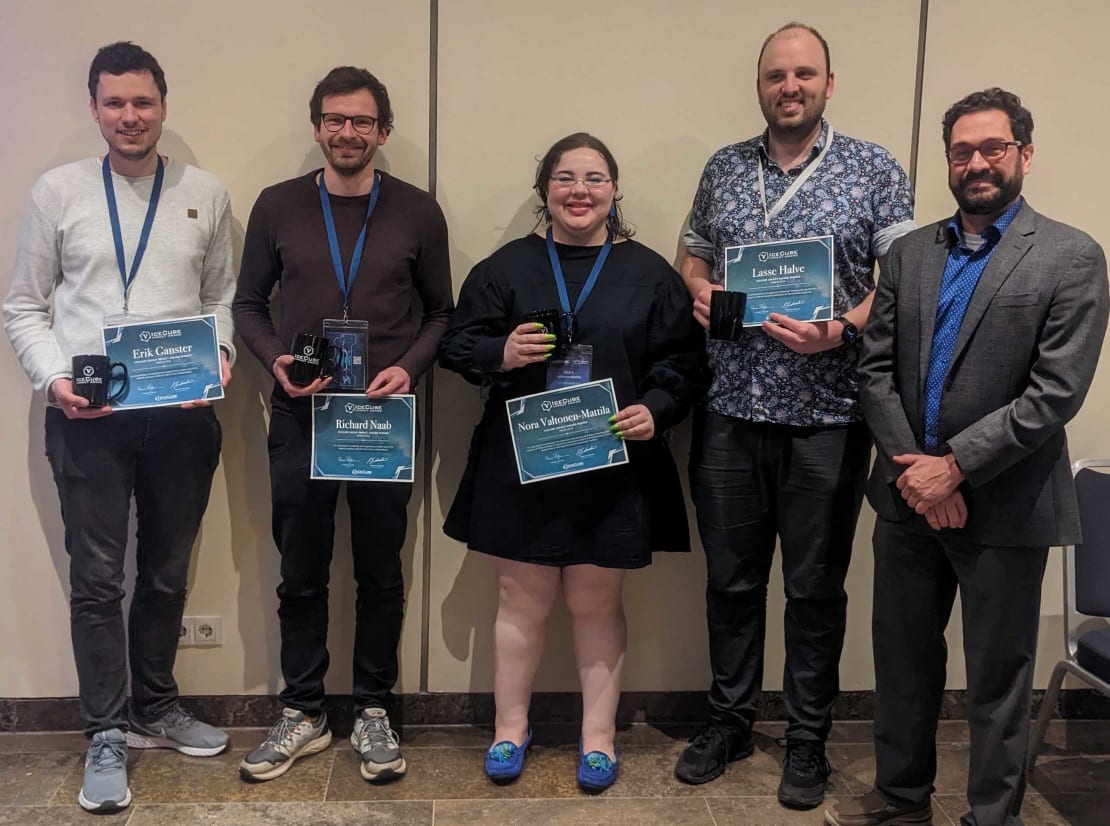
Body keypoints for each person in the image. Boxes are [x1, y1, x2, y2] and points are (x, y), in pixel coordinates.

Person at [828, 88, 1109, 826]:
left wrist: (952, 466)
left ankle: (991, 817)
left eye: (992, 148)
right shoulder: (911, 253)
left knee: (996, 680)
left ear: (1024, 152)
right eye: (962, 151)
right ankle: (900, 801)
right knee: (904, 668)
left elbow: (1055, 392)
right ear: (947, 160)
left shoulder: (1071, 256)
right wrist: (915, 471)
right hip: (906, 499)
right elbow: (875, 370)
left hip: (1009, 505)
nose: (976, 162)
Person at [675, 22, 916, 809]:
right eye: (777, 74)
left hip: (829, 416)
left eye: (804, 74)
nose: (790, 86)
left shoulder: (873, 167)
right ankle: (730, 720)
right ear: (759, 86)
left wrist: (842, 328)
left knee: (815, 589)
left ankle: (807, 739)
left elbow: (905, 278)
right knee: (731, 583)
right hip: (731, 410)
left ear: (828, 84)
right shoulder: (725, 168)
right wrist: (701, 292)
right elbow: (694, 256)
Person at [2, 42, 235, 813]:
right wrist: (53, 377)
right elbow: (24, 306)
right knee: (98, 581)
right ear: (95, 109)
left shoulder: (206, 191)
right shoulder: (58, 191)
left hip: (180, 415)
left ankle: (155, 708)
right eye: (113, 103)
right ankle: (105, 728)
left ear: (164, 105)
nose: (129, 116)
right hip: (88, 417)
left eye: (142, 102)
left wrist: (224, 354)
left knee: (167, 572)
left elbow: (221, 297)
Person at [440, 132, 706, 792]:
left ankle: (598, 738)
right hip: (522, 462)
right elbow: (457, 344)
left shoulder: (649, 273)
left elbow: (685, 362)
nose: (579, 190)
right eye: (564, 177)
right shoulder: (505, 269)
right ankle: (510, 729)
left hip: (613, 465)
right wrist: (502, 351)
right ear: (545, 192)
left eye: (593, 177)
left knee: (596, 600)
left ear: (614, 190)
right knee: (518, 600)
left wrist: (656, 407)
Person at [233, 66, 453, 784]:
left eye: (361, 121)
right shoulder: (277, 206)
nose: (347, 132)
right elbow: (247, 306)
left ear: (383, 131)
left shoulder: (418, 211)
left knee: (380, 571)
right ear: (317, 127)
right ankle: (302, 710)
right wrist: (274, 363)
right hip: (302, 415)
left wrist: (410, 369)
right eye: (334, 120)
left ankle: (372, 709)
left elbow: (442, 314)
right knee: (301, 570)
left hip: (382, 419)